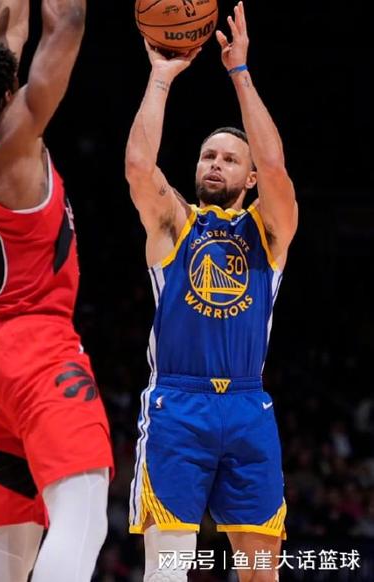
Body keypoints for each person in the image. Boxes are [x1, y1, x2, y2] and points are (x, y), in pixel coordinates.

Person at [0, 1, 114, 580]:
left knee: (9, 553)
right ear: (9, 91)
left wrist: (9, 39)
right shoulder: (15, 145)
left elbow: (11, 26)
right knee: (83, 516)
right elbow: (67, 25)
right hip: (39, 350)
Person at [125, 3, 297, 581]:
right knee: (168, 569)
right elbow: (138, 165)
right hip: (179, 402)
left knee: (261, 572)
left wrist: (240, 73)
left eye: (229, 159)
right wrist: (161, 76)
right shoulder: (174, 223)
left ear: (249, 178)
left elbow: (276, 166)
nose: (216, 164)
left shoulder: (269, 230)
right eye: (208, 156)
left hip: (248, 404)